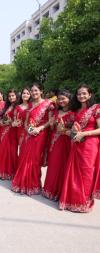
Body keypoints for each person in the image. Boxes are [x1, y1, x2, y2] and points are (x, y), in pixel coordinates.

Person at [60, 85, 100, 213]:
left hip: (90, 144)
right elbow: (67, 125)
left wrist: (84, 134)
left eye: (84, 94)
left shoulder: (96, 109)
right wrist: (61, 128)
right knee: (75, 172)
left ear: (90, 95)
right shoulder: (75, 110)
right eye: (78, 94)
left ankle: (84, 203)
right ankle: (74, 201)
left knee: (87, 171)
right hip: (76, 142)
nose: (81, 96)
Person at [12, 83, 55, 196]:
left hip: (41, 134)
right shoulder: (30, 104)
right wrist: (27, 128)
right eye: (32, 91)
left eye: (36, 90)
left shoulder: (49, 104)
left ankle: (34, 185)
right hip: (29, 133)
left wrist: (39, 128)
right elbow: (26, 120)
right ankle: (22, 183)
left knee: (35, 160)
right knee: (23, 157)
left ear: (41, 91)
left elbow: (50, 121)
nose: (34, 93)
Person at [43, 90, 75, 201]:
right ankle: (50, 190)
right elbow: (53, 129)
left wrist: (64, 130)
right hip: (55, 141)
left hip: (67, 142)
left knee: (65, 166)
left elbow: (77, 129)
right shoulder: (56, 112)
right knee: (54, 165)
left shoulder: (75, 112)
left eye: (63, 98)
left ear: (69, 99)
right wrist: (51, 125)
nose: (61, 101)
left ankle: (62, 191)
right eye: (59, 99)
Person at [0, 89, 20, 180]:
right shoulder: (7, 106)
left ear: (16, 96)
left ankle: (11, 172)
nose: (11, 97)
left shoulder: (18, 107)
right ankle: (2, 171)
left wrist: (12, 122)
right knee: (3, 150)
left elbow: (19, 120)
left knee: (12, 151)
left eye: (13, 95)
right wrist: (1, 122)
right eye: (9, 96)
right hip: (5, 129)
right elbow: (3, 117)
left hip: (13, 131)